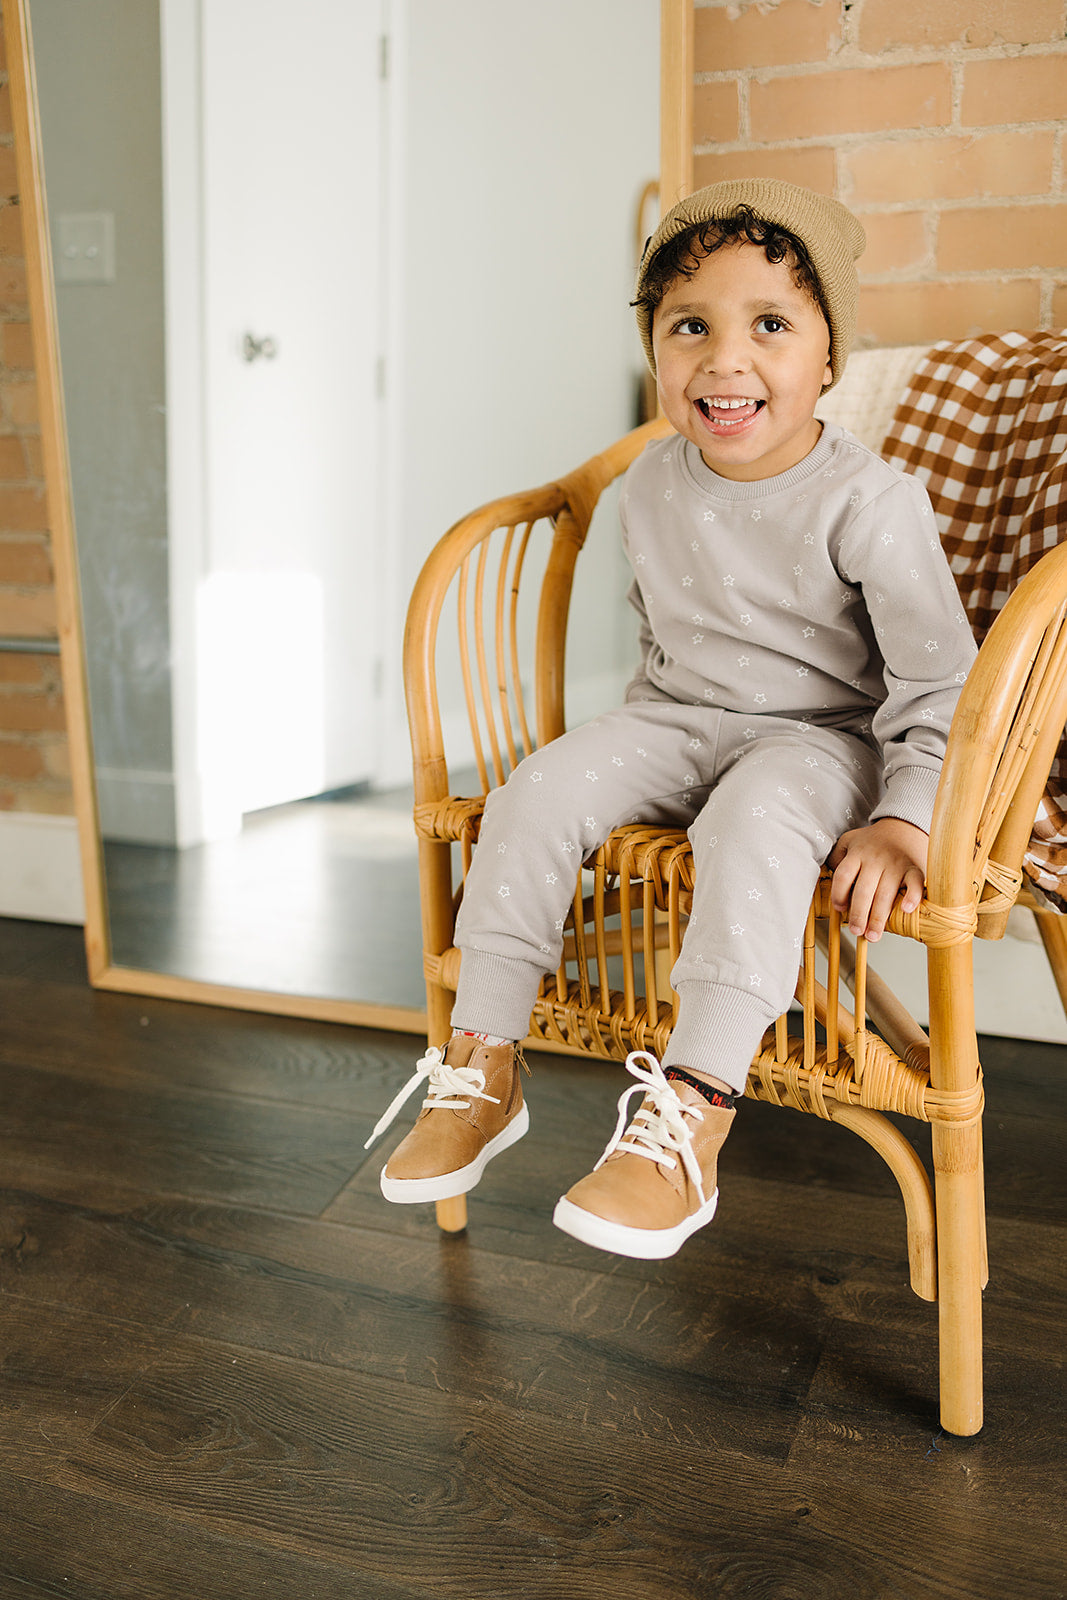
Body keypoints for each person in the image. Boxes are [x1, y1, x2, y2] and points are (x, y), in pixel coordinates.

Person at [364, 178, 977, 1261]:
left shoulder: (867, 501)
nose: (723, 361)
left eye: (770, 326)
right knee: (535, 792)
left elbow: (937, 683)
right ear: (653, 347)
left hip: (817, 739)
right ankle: (483, 1061)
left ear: (829, 361)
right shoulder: (650, 480)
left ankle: (687, 1119)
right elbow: (667, 650)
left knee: (750, 822)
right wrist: (629, 757)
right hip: (676, 715)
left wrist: (907, 818)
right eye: (688, 326)